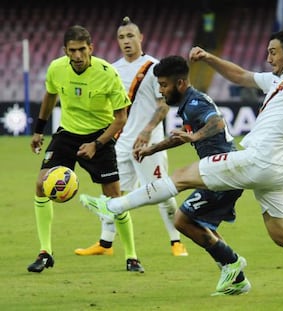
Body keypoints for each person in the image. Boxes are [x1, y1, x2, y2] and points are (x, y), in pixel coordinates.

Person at [80, 28, 283, 300]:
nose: (268, 57)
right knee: (281, 233)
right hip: (276, 168)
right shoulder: (280, 81)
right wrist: (209, 58)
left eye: (274, 52)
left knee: (180, 176)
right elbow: (243, 76)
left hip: (259, 158)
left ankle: (115, 206)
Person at [27, 25, 144, 273]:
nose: (77, 56)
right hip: (67, 133)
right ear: (65, 51)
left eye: (82, 50)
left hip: (100, 135)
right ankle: (45, 252)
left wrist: (97, 144)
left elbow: (121, 118)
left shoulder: (107, 73)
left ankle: (132, 256)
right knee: (40, 184)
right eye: (72, 51)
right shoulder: (56, 68)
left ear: (91, 48)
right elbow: (50, 95)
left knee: (115, 197)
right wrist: (39, 129)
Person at [74, 17, 188, 259]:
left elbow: (164, 104)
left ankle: (176, 239)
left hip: (150, 143)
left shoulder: (154, 68)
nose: (126, 41)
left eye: (130, 36)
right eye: (121, 37)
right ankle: (105, 243)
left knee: (161, 191)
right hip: (121, 143)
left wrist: (147, 131)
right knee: (112, 194)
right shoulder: (112, 69)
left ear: (140, 38)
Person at [135, 55, 247, 295]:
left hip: (222, 172)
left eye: (164, 85)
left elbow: (216, 123)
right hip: (224, 171)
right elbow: (182, 136)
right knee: (202, 225)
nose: (161, 90)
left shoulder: (196, 104)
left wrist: (195, 137)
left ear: (180, 84)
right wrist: (151, 149)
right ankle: (237, 279)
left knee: (182, 220)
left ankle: (233, 263)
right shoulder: (188, 104)